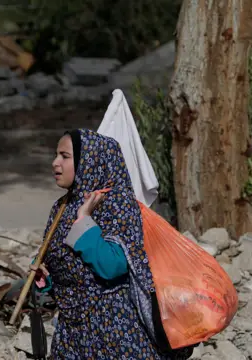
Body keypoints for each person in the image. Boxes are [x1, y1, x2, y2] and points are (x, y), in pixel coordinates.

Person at [30, 129, 192, 359]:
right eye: (56, 155)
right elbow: (61, 262)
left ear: (90, 160)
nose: (55, 163)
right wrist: (45, 277)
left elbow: (112, 266)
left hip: (112, 330)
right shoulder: (61, 208)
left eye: (64, 156)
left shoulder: (118, 204)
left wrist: (85, 220)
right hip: (71, 332)